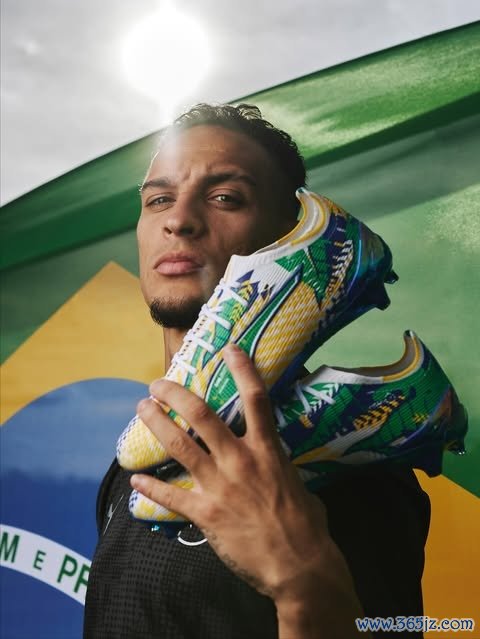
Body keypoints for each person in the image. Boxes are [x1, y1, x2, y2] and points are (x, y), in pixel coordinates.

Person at [84, 104, 430, 638]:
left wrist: (305, 585)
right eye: (158, 200)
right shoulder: (132, 461)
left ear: (286, 235)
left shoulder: (352, 463)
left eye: (226, 197)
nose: (178, 219)